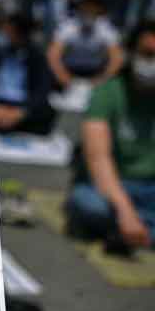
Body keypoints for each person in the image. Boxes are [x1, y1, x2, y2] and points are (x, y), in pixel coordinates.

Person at [65, 21, 155, 253]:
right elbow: (99, 159)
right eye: (148, 54)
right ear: (131, 53)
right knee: (87, 203)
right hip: (111, 187)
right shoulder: (107, 92)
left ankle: (129, 232)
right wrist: (126, 213)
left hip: (150, 189)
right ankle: (137, 229)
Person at [47, 0, 124, 89]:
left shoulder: (105, 27)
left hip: (96, 71)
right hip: (70, 70)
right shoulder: (68, 26)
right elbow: (53, 55)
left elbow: (117, 57)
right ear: (79, 8)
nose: (89, 12)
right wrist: (65, 79)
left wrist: (101, 80)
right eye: (86, 8)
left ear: (99, 10)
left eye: (93, 8)